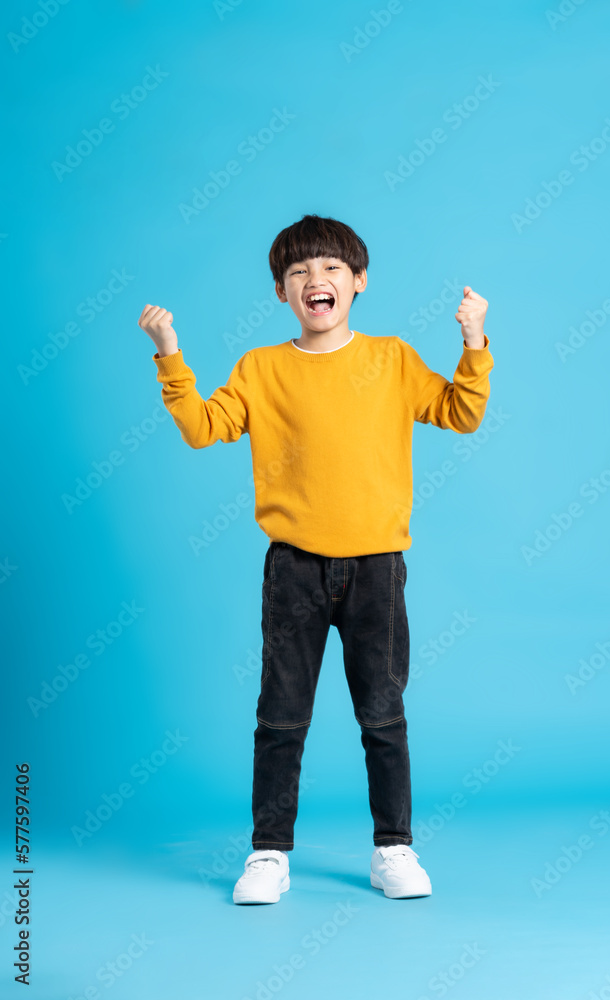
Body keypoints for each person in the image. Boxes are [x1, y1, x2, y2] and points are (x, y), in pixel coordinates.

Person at [138, 213, 494, 904]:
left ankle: (393, 847)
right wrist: (169, 353)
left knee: (383, 715)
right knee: (280, 716)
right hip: (293, 568)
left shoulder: (390, 359)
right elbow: (203, 428)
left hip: (376, 568)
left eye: (330, 267)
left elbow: (460, 412)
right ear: (280, 292)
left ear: (357, 282)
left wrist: (473, 340)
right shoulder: (262, 367)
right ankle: (268, 854)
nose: (314, 280)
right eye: (298, 271)